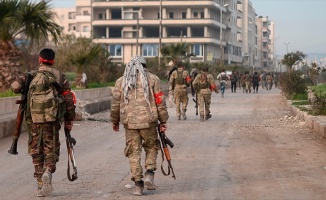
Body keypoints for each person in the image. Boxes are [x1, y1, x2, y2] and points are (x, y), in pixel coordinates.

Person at [10, 48, 76, 197]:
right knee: (51, 149)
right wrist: (69, 119)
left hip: (33, 120)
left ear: (40, 59)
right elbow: (68, 99)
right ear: (53, 61)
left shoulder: (31, 75)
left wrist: (23, 81)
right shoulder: (60, 76)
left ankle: (40, 184)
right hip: (51, 121)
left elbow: (14, 87)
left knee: (36, 150)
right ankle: (48, 171)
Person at [110, 55, 169, 196]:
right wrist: (163, 120)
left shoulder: (121, 81)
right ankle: (149, 173)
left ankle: (138, 184)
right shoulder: (153, 79)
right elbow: (160, 101)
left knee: (133, 152)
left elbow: (115, 104)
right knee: (151, 147)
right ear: (144, 65)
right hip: (149, 121)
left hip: (130, 123)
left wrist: (115, 121)